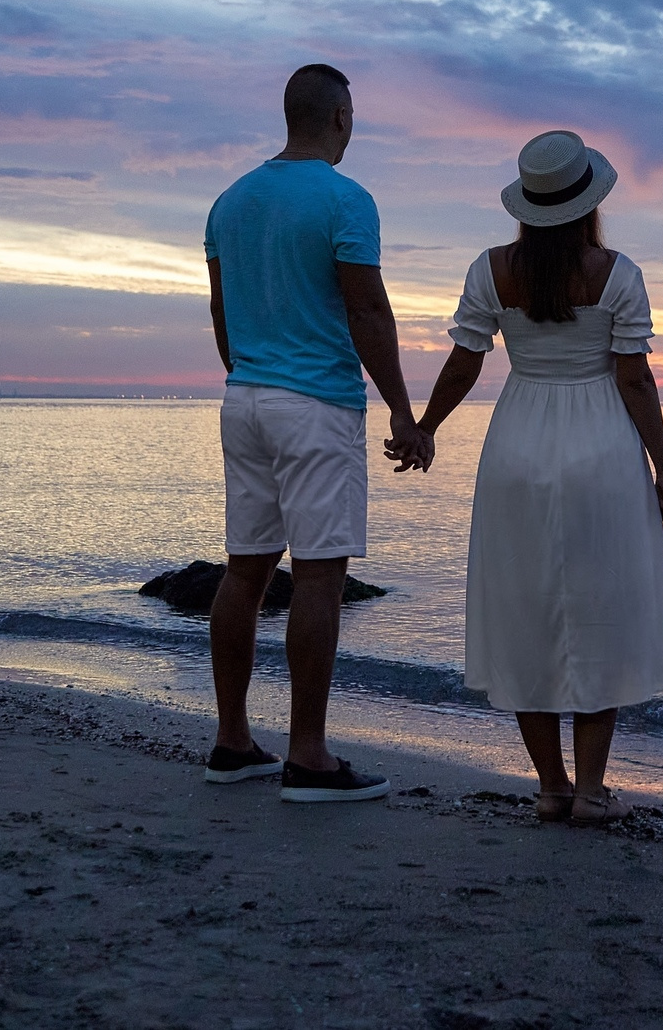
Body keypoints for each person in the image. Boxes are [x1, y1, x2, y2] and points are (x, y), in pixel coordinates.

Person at [409, 129, 663, 826]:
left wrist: (425, 429)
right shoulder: (618, 273)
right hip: (601, 451)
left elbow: (465, 362)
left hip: (517, 448)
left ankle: (551, 787)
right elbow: (634, 377)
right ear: (588, 201)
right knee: (600, 611)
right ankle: (592, 790)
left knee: (525, 613)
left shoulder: (491, 269)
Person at [201, 62, 430, 802]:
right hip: (317, 405)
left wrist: (252, 371)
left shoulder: (229, 202)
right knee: (321, 572)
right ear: (338, 117)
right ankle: (309, 756)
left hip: (246, 398)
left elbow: (222, 315)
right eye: (353, 114)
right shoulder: (345, 201)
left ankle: (233, 741)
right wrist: (402, 408)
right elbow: (367, 313)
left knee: (246, 570)